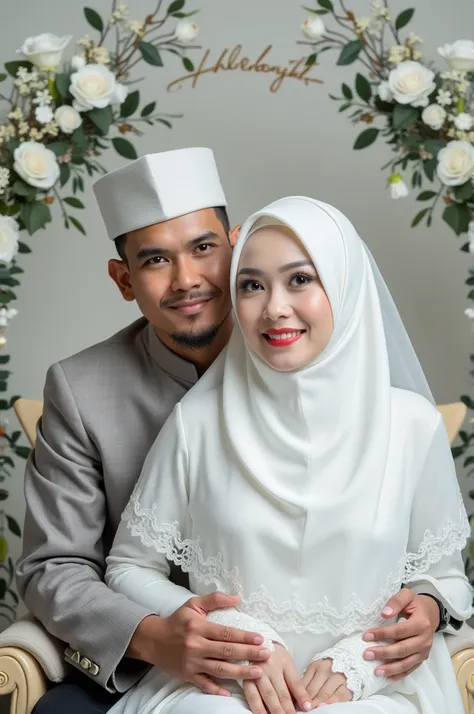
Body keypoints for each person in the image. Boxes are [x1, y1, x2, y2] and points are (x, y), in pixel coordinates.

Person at [16, 149, 452, 714]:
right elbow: (57, 566)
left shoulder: (372, 398)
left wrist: (428, 604)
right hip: (165, 662)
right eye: (154, 261)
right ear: (123, 279)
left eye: (204, 249)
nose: (188, 279)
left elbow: (433, 563)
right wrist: (159, 637)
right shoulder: (87, 391)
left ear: (237, 244)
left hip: (344, 671)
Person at [105, 196, 472, 714]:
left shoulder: (413, 426)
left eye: (301, 279)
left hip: (374, 690)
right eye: (252, 285)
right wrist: (231, 633)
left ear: (344, 285)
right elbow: (127, 567)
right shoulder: (197, 422)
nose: (275, 307)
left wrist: (417, 618)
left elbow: (445, 575)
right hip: (223, 689)